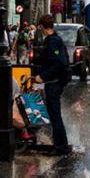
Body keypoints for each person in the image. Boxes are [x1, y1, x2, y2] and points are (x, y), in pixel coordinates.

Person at [31, 14, 72, 155]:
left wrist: (42, 77)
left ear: (42, 26)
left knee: (55, 116)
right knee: (55, 115)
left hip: (54, 83)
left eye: (40, 26)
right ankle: (61, 145)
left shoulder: (53, 41)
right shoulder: (53, 40)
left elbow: (60, 63)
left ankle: (60, 147)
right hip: (54, 82)